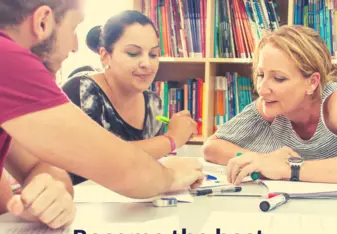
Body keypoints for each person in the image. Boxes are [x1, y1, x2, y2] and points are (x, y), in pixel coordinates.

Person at [0, 0, 204, 229]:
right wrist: (171, 175)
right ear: (42, 22)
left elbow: (31, 175)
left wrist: (50, 193)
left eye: (153, 54)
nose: (76, 46)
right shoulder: (6, 59)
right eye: (74, 27)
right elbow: (122, 168)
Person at [62, 10, 198, 184]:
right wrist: (171, 139)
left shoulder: (153, 103)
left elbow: (145, 166)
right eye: (133, 53)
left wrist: (179, 175)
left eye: (153, 54)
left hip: (132, 204)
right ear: (105, 56)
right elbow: (99, 159)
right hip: (79, 205)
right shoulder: (83, 89)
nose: (147, 64)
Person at [202, 25, 337, 185]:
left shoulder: (332, 103)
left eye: (279, 78)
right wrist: (262, 160)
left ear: (312, 82)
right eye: (261, 75)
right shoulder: (268, 106)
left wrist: (287, 169)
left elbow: (282, 168)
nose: (262, 89)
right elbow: (212, 147)